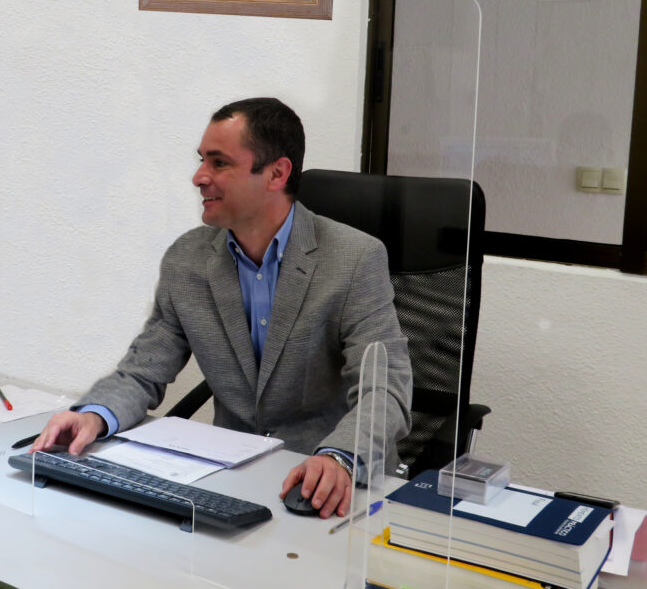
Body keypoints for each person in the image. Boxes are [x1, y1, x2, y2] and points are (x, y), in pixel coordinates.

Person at [32, 98, 412, 518]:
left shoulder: (355, 259)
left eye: (219, 163)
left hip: (326, 484)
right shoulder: (187, 259)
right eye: (202, 160)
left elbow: (386, 388)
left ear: (277, 173)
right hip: (231, 476)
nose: (199, 177)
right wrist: (94, 415)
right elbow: (143, 370)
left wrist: (340, 456)